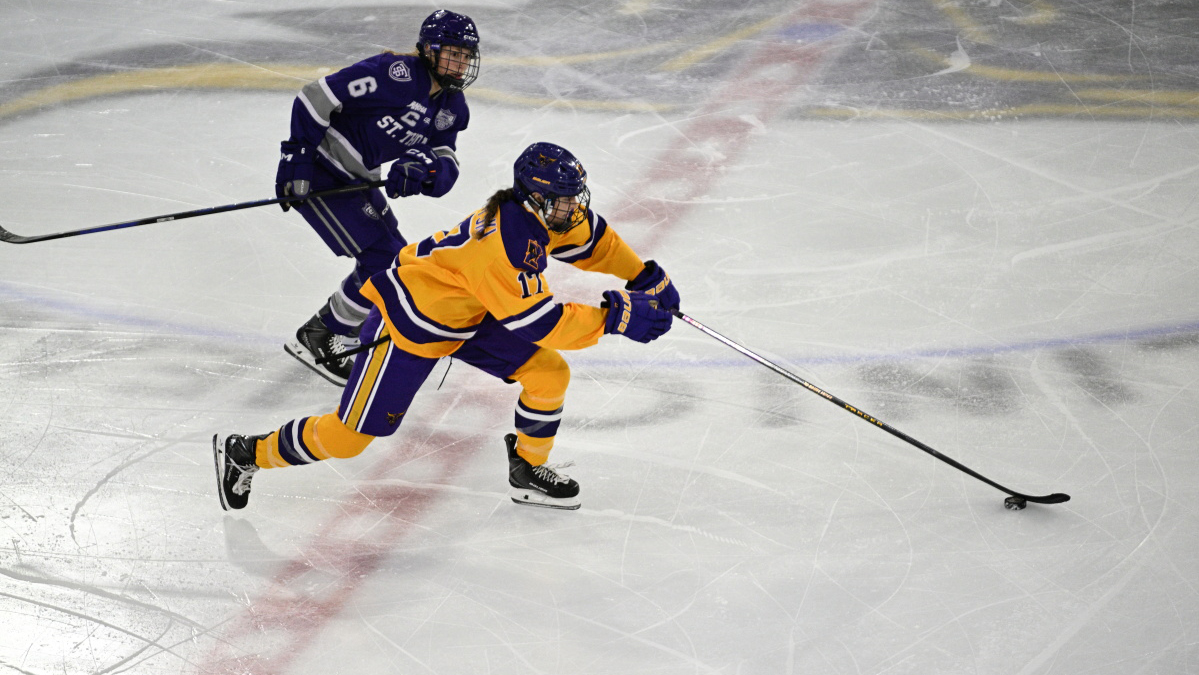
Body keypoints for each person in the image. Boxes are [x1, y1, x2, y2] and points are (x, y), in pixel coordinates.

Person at [214, 142, 680, 511]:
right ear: (535, 198)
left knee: (548, 374)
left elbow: (594, 239)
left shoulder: (547, 215)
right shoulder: (501, 247)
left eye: (574, 198)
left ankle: (527, 471)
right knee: (349, 439)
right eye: (563, 201)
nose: (572, 209)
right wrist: (615, 317)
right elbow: (542, 323)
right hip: (409, 325)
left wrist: (643, 276)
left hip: (469, 313)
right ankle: (245, 453)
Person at [276, 9, 480, 386]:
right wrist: (297, 155)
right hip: (323, 167)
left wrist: (423, 169)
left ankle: (328, 330)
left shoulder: (451, 108)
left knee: (397, 262)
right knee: (385, 260)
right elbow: (316, 96)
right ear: (429, 51)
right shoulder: (396, 74)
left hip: (357, 178)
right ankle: (322, 336)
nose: (461, 62)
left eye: (467, 55)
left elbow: (446, 160)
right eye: (454, 52)